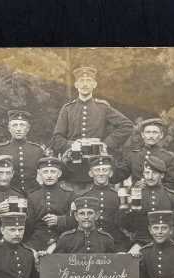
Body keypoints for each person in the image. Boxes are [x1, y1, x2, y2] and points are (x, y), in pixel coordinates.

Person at [50, 66, 133, 194]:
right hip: (73, 168)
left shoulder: (103, 107)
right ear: (76, 85)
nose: (85, 84)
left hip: (97, 168)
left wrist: (106, 144)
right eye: (81, 81)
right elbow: (57, 139)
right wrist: (72, 145)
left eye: (88, 81)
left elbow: (126, 125)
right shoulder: (67, 109)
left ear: (94, 85)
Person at [121, 156, 174, 254]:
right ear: (143, 174)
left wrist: (166, 244)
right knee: (130, 262)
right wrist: (128, 207)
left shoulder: (172, 197)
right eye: (147, 173)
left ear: (162, 175)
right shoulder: (136, 195)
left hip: (166, 243)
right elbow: (127, 226)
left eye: (154, 173)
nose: (150, 177)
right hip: (142, 243)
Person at [0, 110, 48, 194]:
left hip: (33, 199)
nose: (18, 129)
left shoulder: (37, 150)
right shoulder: (0, 149)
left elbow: (51, 172)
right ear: (9, 128)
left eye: (22, 125)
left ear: (28, 128)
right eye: (15, 125)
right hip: (9, 199)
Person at [112, 118, 174, 191]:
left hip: (159, 200)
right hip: (138, 199)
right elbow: (115, 177)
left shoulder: (169, 157)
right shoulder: (133, 156)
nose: (151, 136)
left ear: (161, 135)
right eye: (148, 132)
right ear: (142, 135)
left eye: (155, 132)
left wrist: (152, 185)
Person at [24, 156, 75, 252]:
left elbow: (77, 220)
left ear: (59, 174)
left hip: (63, 241)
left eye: (53, 171)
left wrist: (60, 220)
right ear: (39, 173)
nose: (49, 175)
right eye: (45, 172)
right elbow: (29, 225)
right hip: (37, 242)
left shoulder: (69, 195)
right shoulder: (33, 196)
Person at [81, 154, 130, 251]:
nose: (101, 173)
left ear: (111, 173)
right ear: (91, 173)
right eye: (97, 170)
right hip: (90, 243)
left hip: (115, 243)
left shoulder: (119, 196)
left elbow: (127, 224)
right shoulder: (83, 197)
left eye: (105, 170)